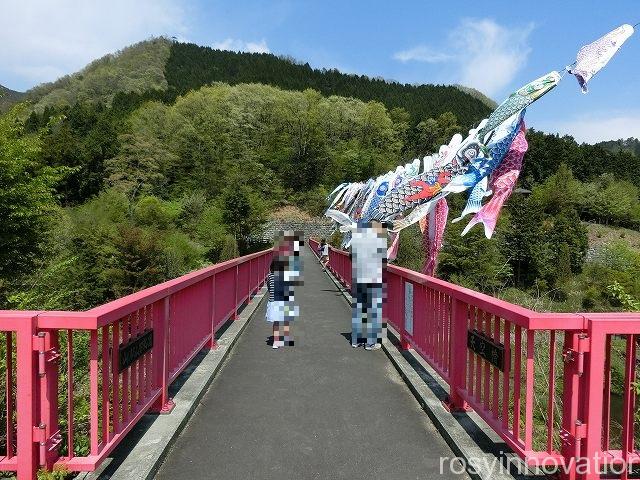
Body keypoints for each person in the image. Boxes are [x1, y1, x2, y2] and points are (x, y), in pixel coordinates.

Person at [349, 220, 387, 350]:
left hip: (359, 278)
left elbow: (351, 256)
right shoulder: (378, 239)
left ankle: (356, 340)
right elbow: (383, 259)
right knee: (374, 311)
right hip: (373, 279)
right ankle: (371, 342)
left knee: (359, 311)